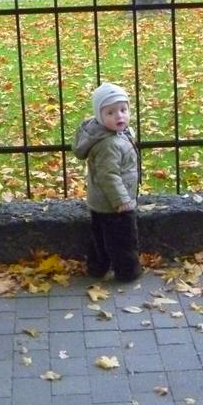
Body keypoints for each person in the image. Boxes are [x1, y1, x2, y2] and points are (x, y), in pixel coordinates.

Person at [73, 82, 142, 282]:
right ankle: (128, 272)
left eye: (123, 110)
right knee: (123, 240)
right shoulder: (109, 144)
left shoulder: (116, 135)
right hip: (115, 204)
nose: (119, 116)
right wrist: (121, 200)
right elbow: (108, 175)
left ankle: (97, 267)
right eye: (111, 113)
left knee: (101, 238)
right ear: (99, 116)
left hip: (101, 202)